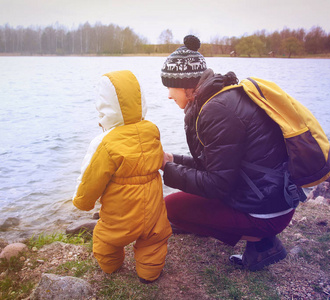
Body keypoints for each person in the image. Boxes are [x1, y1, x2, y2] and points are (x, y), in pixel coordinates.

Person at [160, 35, 301, 271]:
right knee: (179, 205)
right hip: (272, 198)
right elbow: (215, 164)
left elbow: (217, 184)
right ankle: (254, 237)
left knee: (169, 208)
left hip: (266, 213)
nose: (168, 95)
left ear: (186, 85)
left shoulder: (216, 111)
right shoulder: (220, 98)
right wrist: (172, 160)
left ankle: (262, 244)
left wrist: (168, 170)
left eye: (169, 87)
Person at [72, 70, 172, 283]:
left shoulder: (105, 142)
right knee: (153, 241)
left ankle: (111, 266)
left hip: (121, 211)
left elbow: (92, 177)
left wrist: (83, 202)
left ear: (105, 107)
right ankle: (149, 273)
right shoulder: (152, 129)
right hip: (152, 207)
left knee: (106, 238)